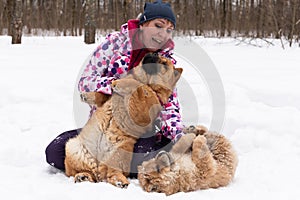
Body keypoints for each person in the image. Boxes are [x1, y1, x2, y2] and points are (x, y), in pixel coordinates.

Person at [45, 0, 184, 178]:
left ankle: (157, 152)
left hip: (139, 132)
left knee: (138, 155)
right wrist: (118, 87)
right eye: (158, 25)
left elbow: (169, 105)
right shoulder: (115, 44)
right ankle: (108, 165)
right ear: (143, 25)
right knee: (56, 151)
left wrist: (180, 138)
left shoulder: (164, 61)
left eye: (169, 30)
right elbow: (85, 82)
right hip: (104, 125)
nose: (163, 34)